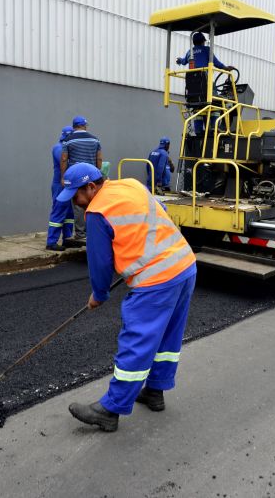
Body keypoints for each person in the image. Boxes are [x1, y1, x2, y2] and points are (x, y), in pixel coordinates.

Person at [58, 163, 197, 432]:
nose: (75, 203)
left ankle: (111, 409)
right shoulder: (131, 184)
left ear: (91, 187)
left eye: (76, 196)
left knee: (137, 340)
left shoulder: (97, 211)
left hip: (156, 281)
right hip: (185, 266)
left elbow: (100, 263)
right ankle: (155, 391)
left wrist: (99, 294)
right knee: (167, 337)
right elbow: (161, 213)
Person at [61, 115, 103, 239]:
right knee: (94, 203)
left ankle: (80, 234)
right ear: (85, 126)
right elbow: (99, 158)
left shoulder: (68, 140)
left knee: (79, 204)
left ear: (74, 127)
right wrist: (97, 172)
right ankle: (94, 232)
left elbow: (64, 159)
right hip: (92, 176)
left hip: (76, 177)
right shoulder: (95, 140)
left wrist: (63, 177)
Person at [45, 126, 77, 251]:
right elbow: (65, 163)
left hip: (68, 185)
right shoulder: (59, 148)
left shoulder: (66, 147)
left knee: (69, 214)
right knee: (58, 212)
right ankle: (51, 242)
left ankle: (67, 239)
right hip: (60, 185)